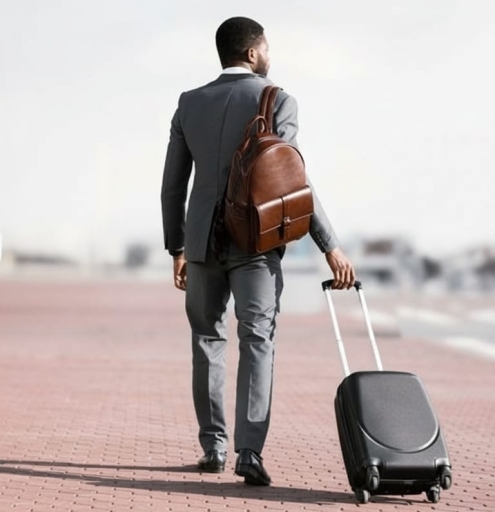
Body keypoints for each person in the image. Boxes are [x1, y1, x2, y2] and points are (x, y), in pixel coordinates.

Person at [160, 16, 356, 486]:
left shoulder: (190, 103)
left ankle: (213, 446)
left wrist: (177, 246)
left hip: (204, 241)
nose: (270, 53)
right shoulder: (275, 99)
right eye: (266, 46)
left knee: (207, 340)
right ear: (252, 52)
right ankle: (249, 452)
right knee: (257, 340)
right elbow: (292, 183)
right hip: (255, 242)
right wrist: (330, 246)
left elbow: (172, 186)